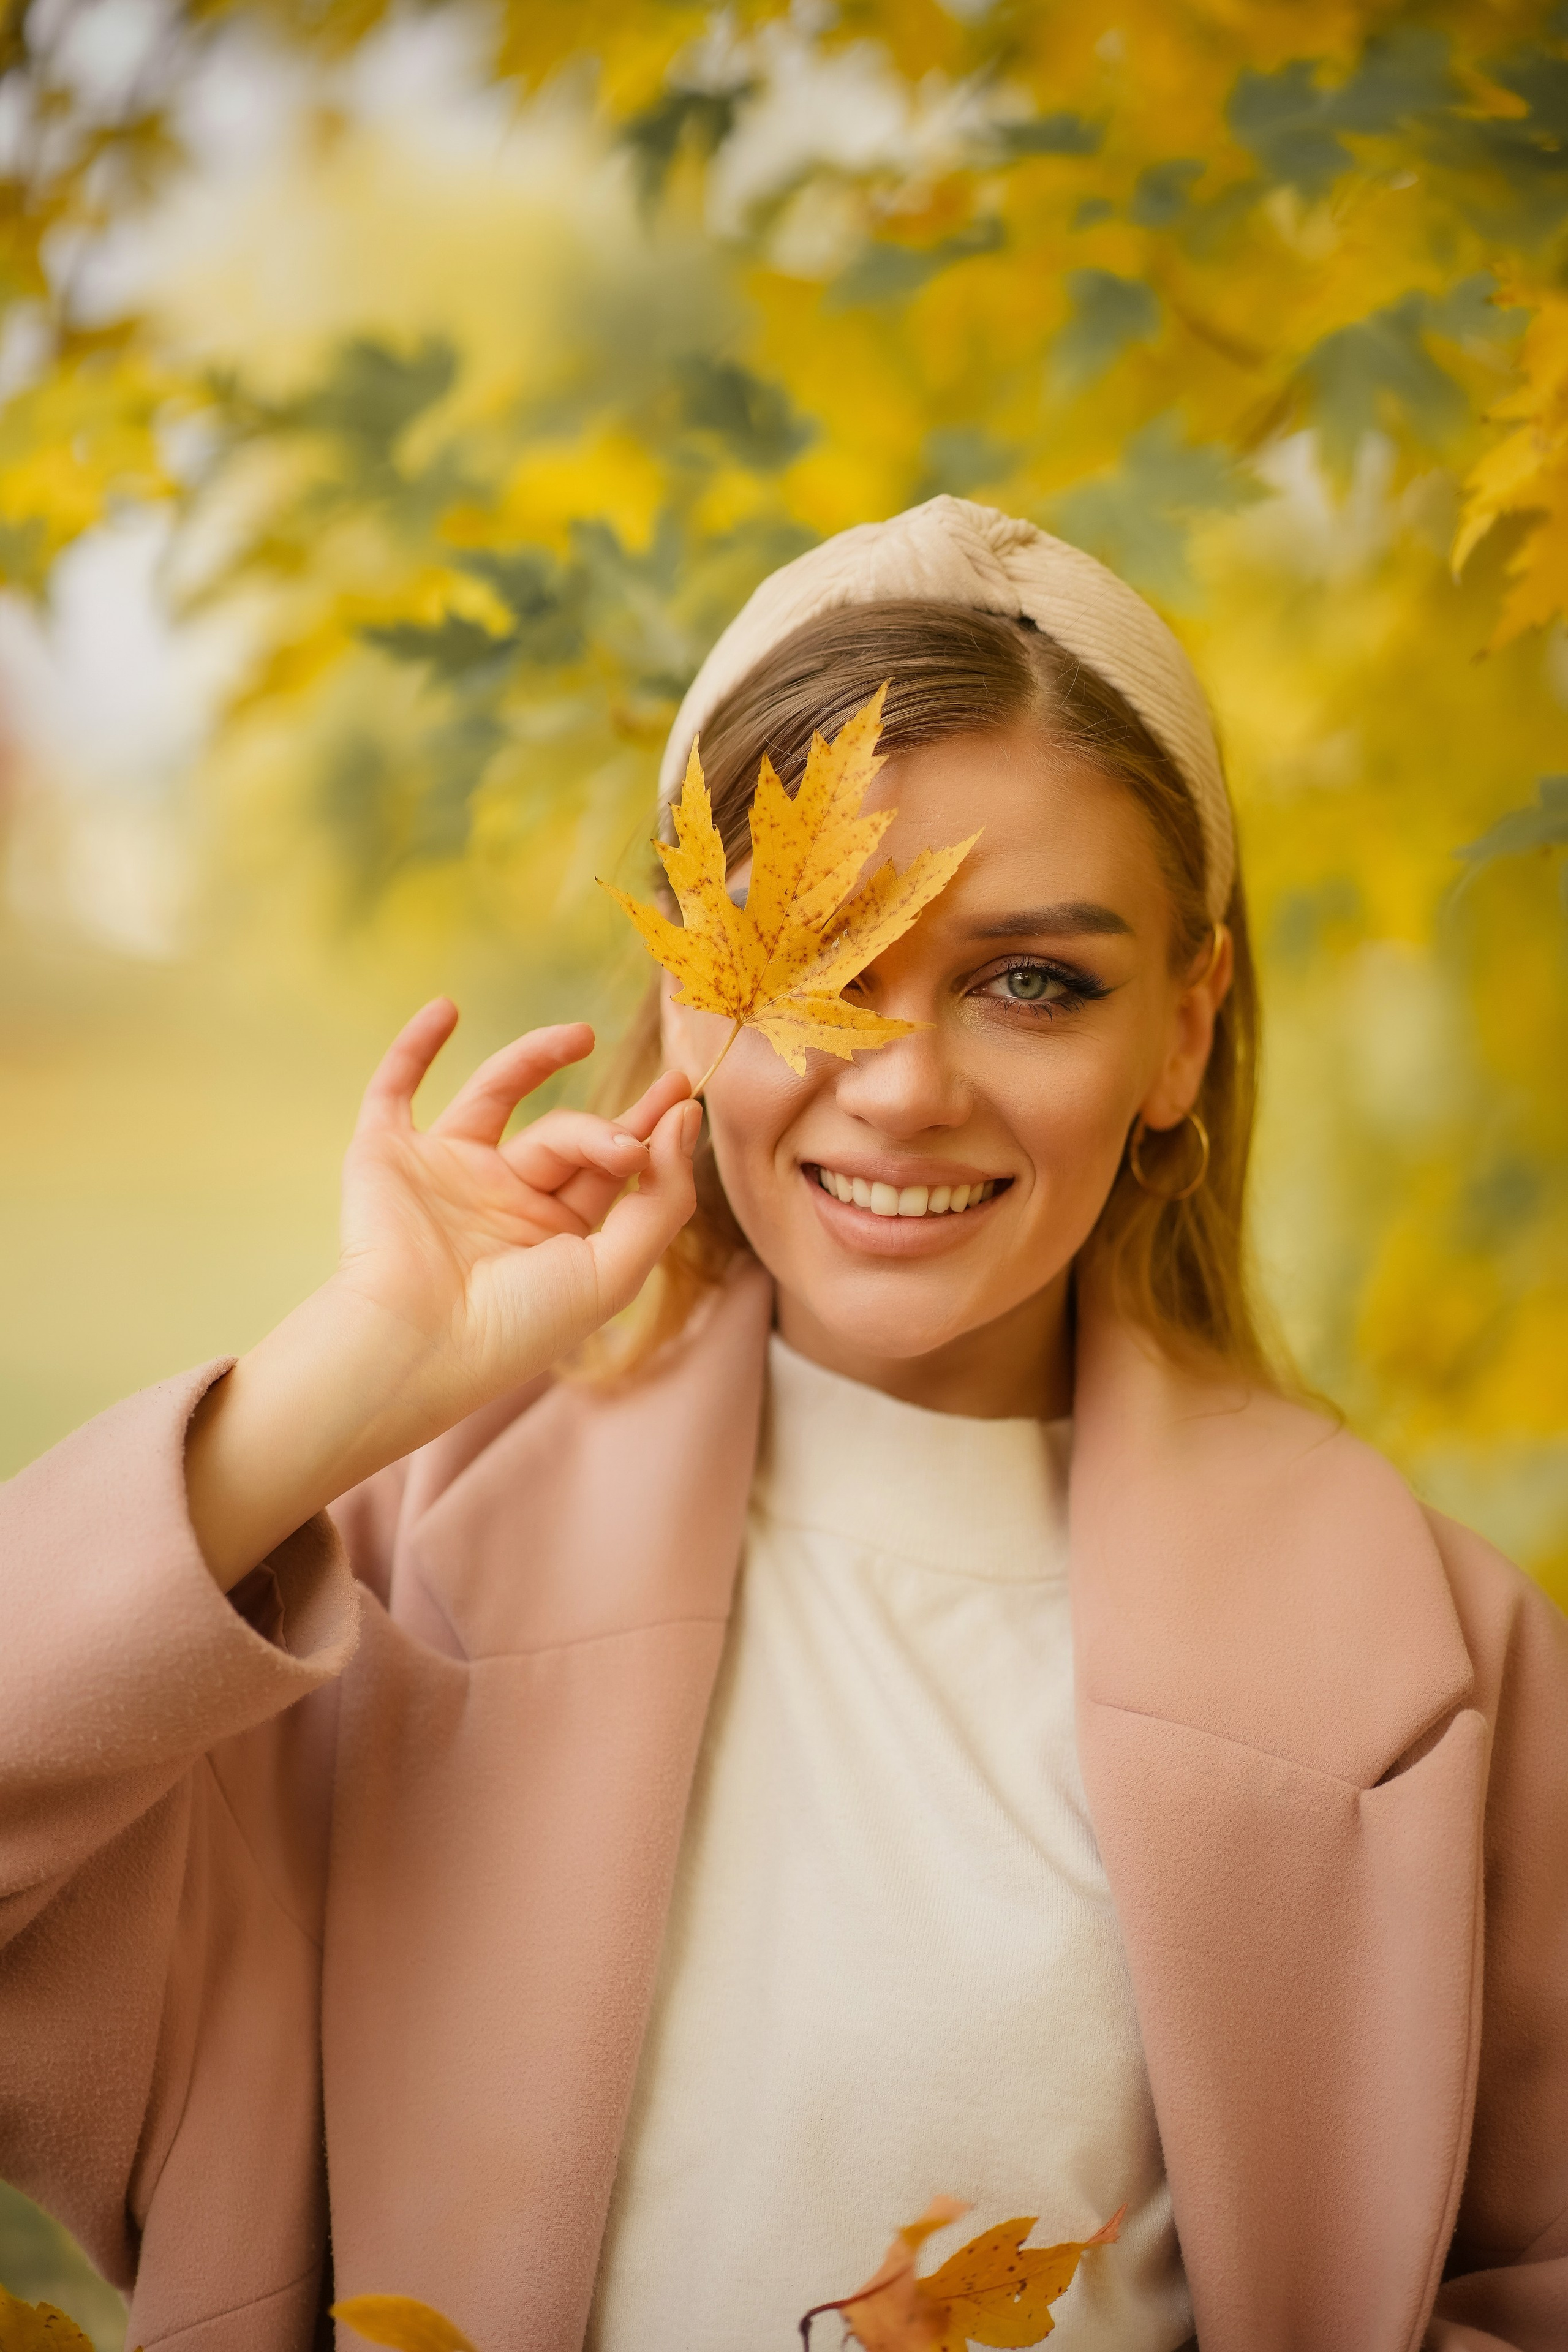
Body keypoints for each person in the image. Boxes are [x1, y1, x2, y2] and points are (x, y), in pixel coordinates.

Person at [1, 498, 1564, 2352]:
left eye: (1034, 982)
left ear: (1187, 1029)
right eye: (817, 967)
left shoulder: (1447, 1664)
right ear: (685, 991)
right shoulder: (378, 1583)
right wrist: (331, 1391)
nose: (905, 1086)